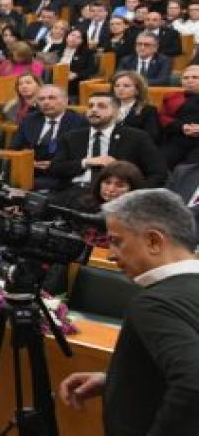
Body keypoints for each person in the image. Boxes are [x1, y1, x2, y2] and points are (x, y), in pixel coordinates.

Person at [58, 189, 199, 435]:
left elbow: (194, 381)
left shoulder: (155, 303)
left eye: (116, 241)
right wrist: (118, 380)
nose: (111, 254)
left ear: (154, 241)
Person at [111, 70, 161, 140]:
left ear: (137, 90)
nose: (120, 89)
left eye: (126, 86)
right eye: (117, 86)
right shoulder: (107, 107)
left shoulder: (148, 110)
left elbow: (151, 136)